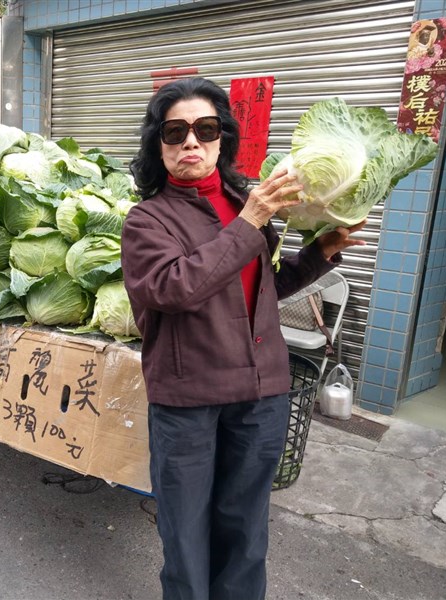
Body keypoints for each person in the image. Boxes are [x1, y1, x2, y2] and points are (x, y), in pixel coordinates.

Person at [120, 78, 365, 600]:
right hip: (189, 401)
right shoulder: (147, 221)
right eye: (175, 131)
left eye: (205, 129)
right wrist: (251, 221)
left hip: (261, 396)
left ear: (221, 139)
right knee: (185, 537)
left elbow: (263, 290)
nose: (191, 142)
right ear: (157, 145)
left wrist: (322, 251)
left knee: (246, 533)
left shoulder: (242, 201)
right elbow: (174, 287)